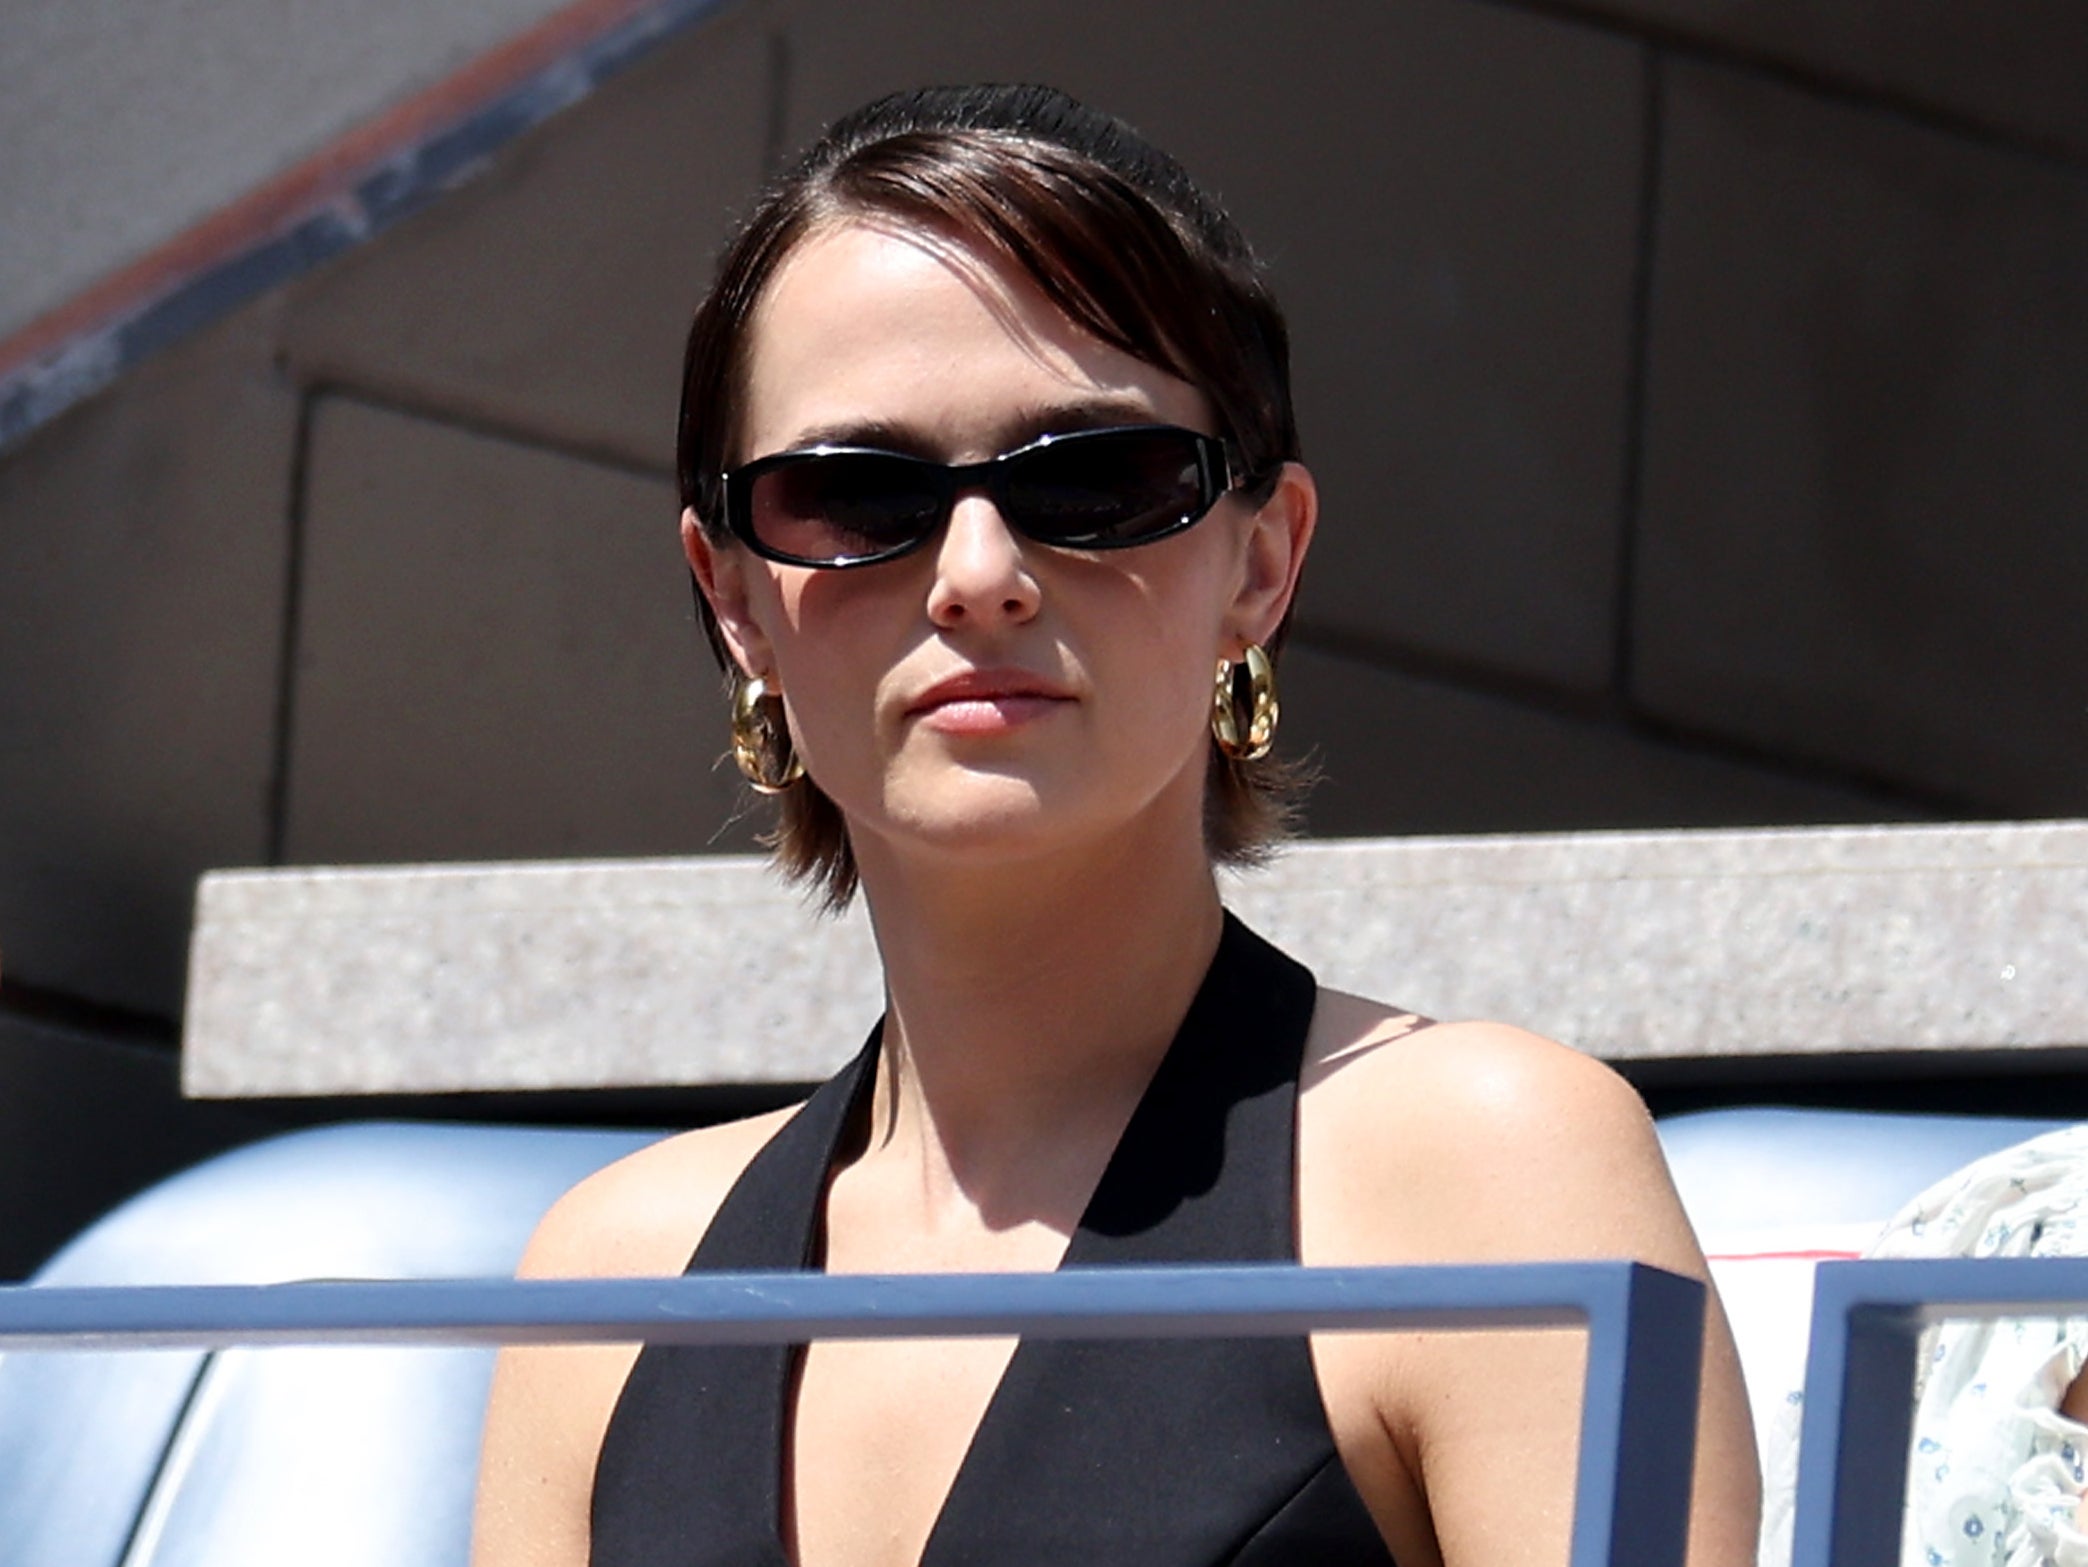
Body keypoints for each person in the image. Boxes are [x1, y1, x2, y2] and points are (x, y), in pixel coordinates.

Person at [471, 83, 1758, 1567]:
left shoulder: (1480, 1167)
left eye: (1095, 480)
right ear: (735, 595)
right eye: (849, 495)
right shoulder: (614, 1279)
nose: (976, 575)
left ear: (1260, 563)